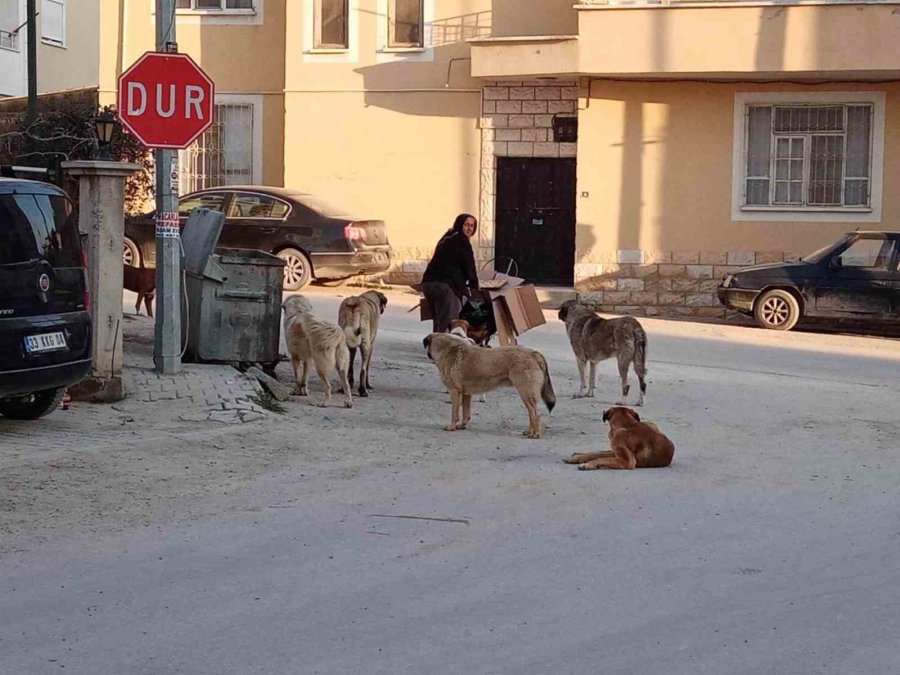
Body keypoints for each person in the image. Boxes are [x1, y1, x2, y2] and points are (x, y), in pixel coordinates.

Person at [421, 213, 479, 333]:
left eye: (472, 226)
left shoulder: (447, 237)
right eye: (466, 225)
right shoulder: (462, 242)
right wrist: (475, 288)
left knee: (438, 319)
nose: (469, 229)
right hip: (446, 285)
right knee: (448, 321)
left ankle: (435, 347)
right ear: (459, 225)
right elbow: (469, 267)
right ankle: (443, 349)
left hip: (428, 284)